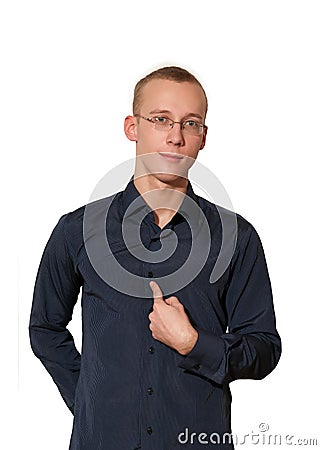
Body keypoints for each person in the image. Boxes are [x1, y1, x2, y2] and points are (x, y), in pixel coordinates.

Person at [29, 66, 281, 450]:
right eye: (161, 119)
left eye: (190, 123)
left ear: (203, 137)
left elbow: (265, 348)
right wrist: (88, 402)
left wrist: (194, 343)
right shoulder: (77, 230)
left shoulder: (237, 237)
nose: (175, 136)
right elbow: (45, 328)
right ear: (133, 127)